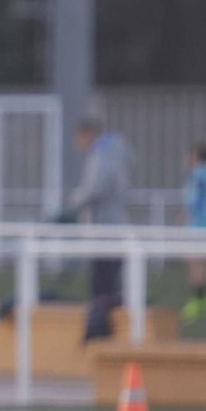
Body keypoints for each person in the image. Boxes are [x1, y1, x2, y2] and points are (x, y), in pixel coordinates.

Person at [63, 116, 133, 341]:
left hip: (105, 229)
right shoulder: (113, 152)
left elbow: (96, 189)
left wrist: (75, 198)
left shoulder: (103, 155)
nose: (80, 146)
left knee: (103, 284)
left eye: (80, 140)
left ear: (88, 134)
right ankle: (102, 327)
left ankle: (100, 331)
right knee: (107, 283)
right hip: (109, 227)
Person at [182, 141, 206, 324]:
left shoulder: (198, 174)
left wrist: (186, 214)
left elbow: (194, 200)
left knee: (195, 260)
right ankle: (202, 297)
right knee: (200, 261)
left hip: (200, 225)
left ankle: (200, 298)